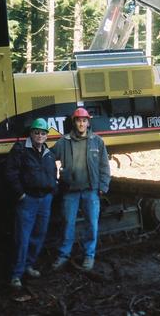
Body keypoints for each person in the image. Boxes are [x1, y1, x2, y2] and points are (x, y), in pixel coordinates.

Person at [51, 107, 111, 271]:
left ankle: (88, 256)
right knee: (67, 224)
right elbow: (48, 159)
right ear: (74, 122)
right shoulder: (64, 142)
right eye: (78, 120)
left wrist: (103, 186)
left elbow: (104, 166)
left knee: (91, 224)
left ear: (88, 122)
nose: (81, 123)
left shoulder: (97, 141)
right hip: (70, 191)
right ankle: (64, 255)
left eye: (84, 120)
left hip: (90, 190)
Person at [5, 118, 58, 288]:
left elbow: (53, 172)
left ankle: (29, 265)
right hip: (28, 200)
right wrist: (20, 194)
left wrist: (52, 190)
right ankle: (16, 275)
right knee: (22, 238)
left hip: (45, 200)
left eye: (43, 133)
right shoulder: (21, 149)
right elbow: (10, 172)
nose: (40, 135)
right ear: (31, 133)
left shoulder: (48, 153)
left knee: (39, 235)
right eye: (37, 132)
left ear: (46, 135)